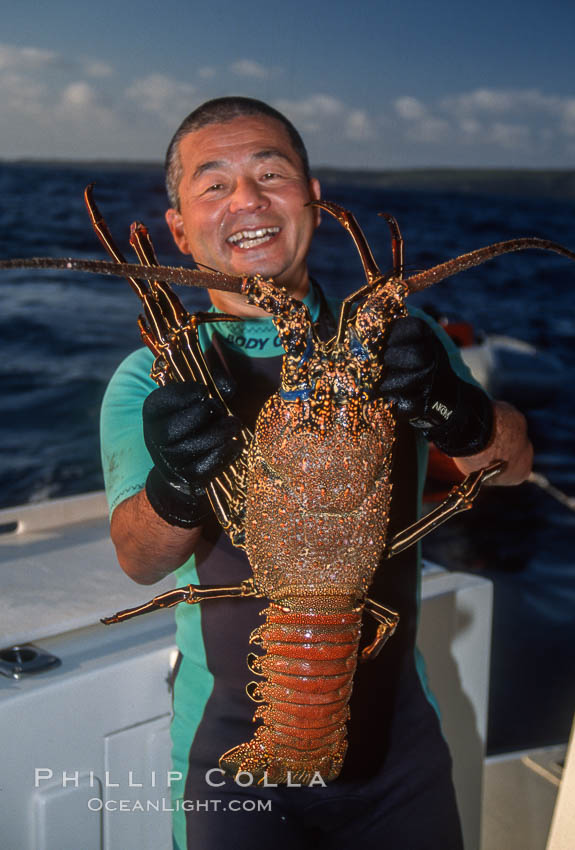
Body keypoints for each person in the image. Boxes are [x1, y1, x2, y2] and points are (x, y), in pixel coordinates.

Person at [100, 97, 532, 850]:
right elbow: (139, 559)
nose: (247, 200)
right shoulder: (150, 377)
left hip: (399, 746)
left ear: (313, 196)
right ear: (176, 227)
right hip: (230, 750)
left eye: (270, 173)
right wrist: (173, 487)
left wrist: (457, 412)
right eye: (215, 184)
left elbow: (503, 468)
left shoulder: (404, 340)